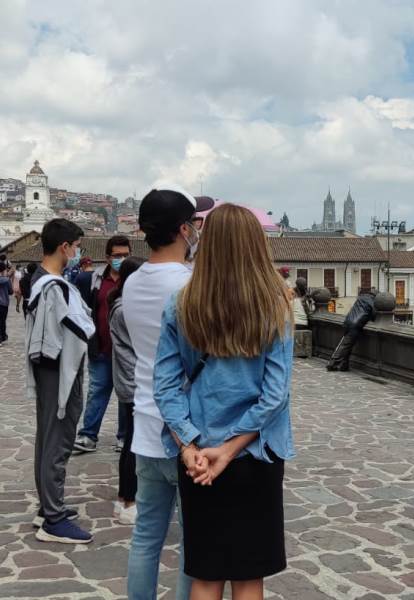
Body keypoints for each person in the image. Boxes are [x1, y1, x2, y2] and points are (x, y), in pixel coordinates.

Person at [153, 204, 294, 600]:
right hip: (256, 453)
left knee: (206, 573)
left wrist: (189, 446)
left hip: (198, 459)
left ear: (207, 243)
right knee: (249, 576)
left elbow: (164, 387)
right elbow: (275, 396)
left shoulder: (181, 305)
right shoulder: (274, 306)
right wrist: (230, 449)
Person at [123, 185, 214, 600]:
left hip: (144, 424)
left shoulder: (133, 282)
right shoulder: (192, 286)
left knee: (146, 539)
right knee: (192, 545)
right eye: (195, 225)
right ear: (183, 229)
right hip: (187, 430)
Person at [26, 218, 95, 543]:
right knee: (58, 440)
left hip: (50, 371)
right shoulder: (52, 286)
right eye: (76, 245)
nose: (77, 251)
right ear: (64, 247)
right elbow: (80, 329)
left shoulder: (41, 279)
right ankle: (53, 518)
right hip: (58, 372)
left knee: (48, 438)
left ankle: (48, 507)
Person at [74, 236, 132, 454]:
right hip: (101, 347)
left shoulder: (135, 279)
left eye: (125, 255)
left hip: (127, 349)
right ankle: (88, 435)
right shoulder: (94, 279)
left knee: (126, 393)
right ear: (108, 257)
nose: (122, 259)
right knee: (97, 390)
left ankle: (125, 437)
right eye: (117, 256)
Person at [108, 256, 145, 525]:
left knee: (131, 440)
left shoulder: (121, 305)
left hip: (129, 381)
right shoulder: (124, 310)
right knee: (133, 442)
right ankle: (129, 499)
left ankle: (124, 497)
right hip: (134, 383)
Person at [326, 289, 377, 372]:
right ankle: (332, 363)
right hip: (356, 325)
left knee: (347, 345)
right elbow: (374, 315)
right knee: (345, 345)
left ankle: (344, 365)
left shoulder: (361, 298)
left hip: (348, 322)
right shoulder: (372, 302)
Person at [0, 265, 12, 344]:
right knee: (2, 321)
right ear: (3, 270)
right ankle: (2, 336)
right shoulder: (7, 280)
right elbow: (11, 292)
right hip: (3, 303)